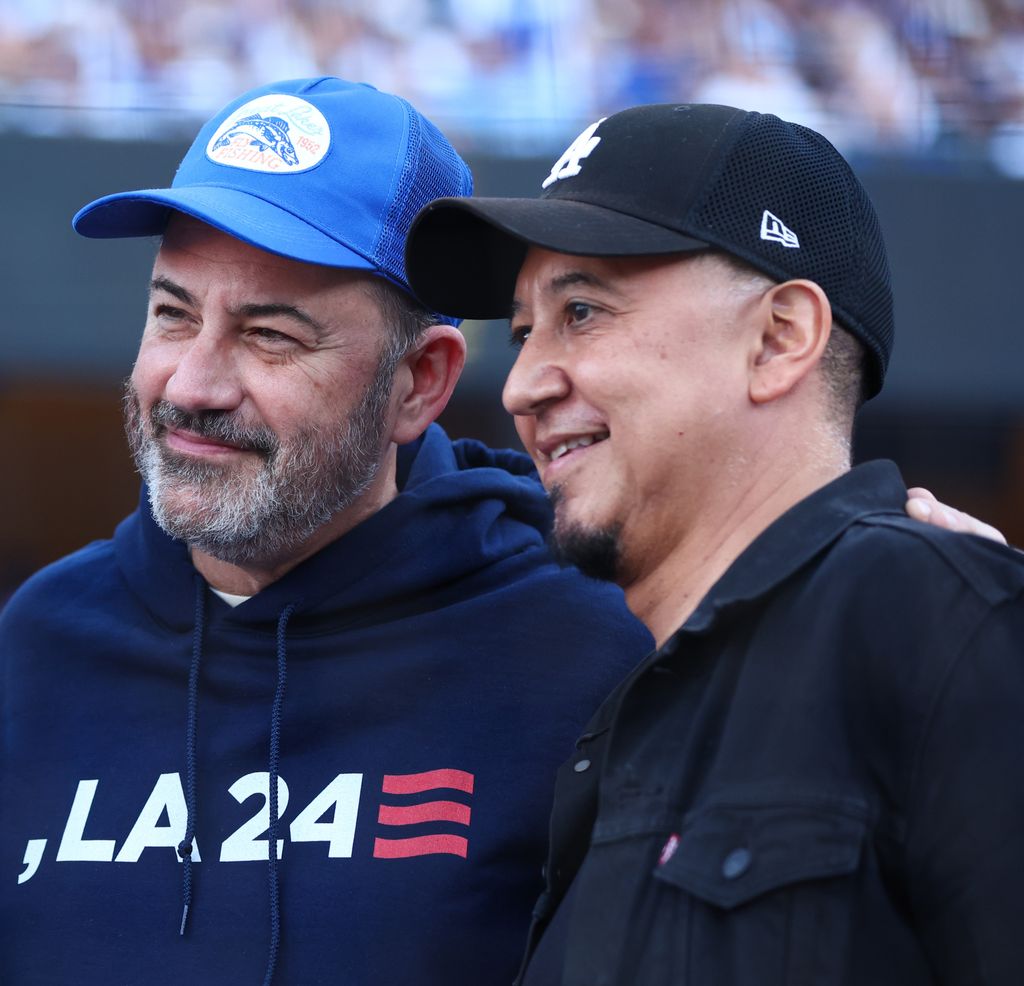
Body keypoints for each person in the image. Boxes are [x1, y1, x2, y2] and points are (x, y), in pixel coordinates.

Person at [0, 78, 655, 986]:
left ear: (418, 383)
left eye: (270, 335)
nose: (192, 386)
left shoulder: (588, 651)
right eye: (173, 314)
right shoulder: (37, 645)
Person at [404, 102, 1024, 984]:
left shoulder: (935, 618)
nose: (522, 385)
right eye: (523, 332)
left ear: (778, 339)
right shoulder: (625, 708)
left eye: (582, 311)